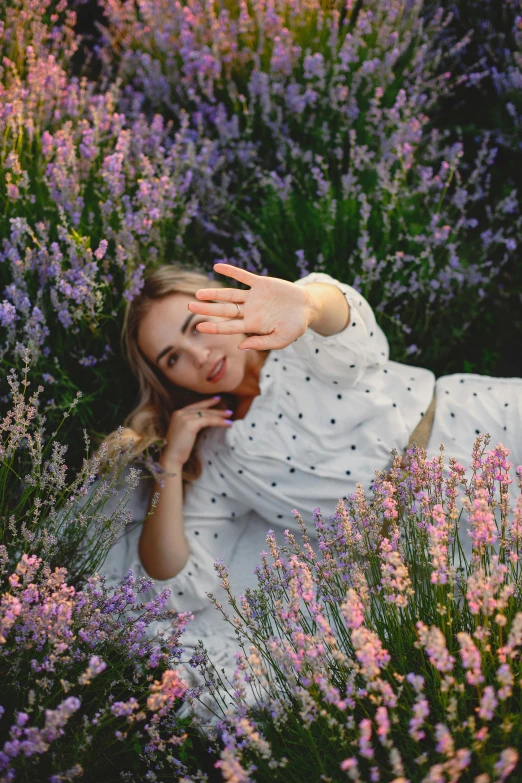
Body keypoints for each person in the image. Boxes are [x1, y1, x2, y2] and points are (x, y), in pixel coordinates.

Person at [97, 261, 522, 721]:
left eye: (197, 327)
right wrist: (171, 467)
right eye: (173, 357)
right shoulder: (223, 456)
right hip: (431, 547)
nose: (198, 356)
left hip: (477, 429)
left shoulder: (295, 339)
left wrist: (307, 302)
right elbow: (172, 577)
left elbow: (351, 329)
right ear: (168, 380)